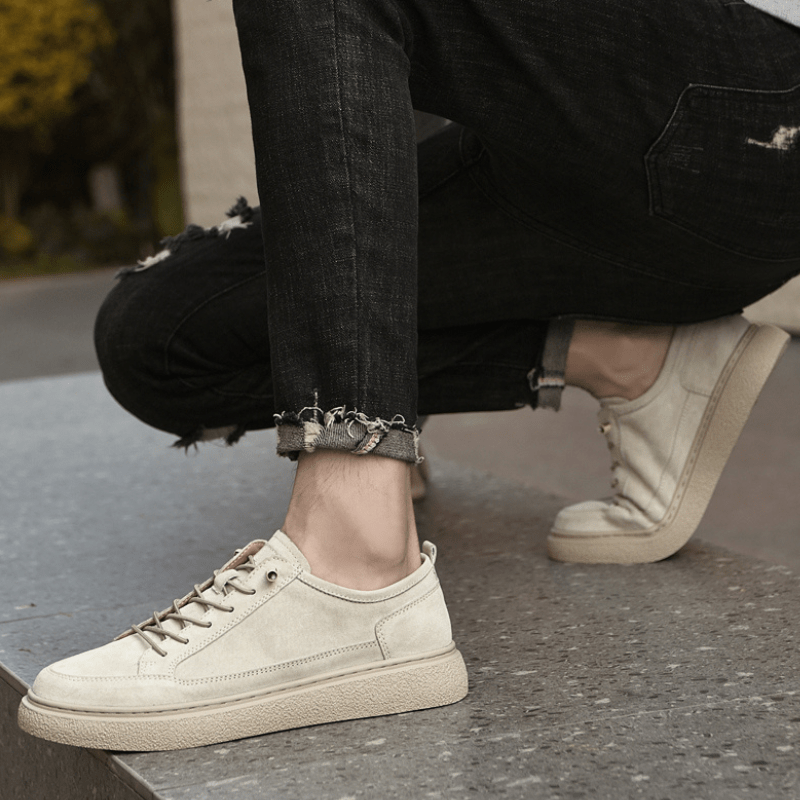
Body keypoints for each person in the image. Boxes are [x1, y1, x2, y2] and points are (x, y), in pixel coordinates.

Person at [18, 0, 800, 751]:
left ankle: (354, 559)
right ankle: (628, 359)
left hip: (746, 114)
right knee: (158, 336)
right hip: (560, 147)